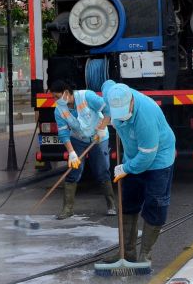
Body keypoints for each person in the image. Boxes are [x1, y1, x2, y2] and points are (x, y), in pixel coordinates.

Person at [101, 80, 175, 265]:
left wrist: (125, 168)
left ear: (131, 102)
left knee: (154, 204)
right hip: (133, 156)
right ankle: (127, 252)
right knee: (127, 203)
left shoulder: (145, 115)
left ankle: (145, 255)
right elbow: (106, 84)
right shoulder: (113, 93)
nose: (122, 118)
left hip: (157, 159)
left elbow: (147, 157)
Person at [50, 80, 116, 220]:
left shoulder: (87, 96)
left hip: (99, 137)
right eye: (53, 97)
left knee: (102, 170)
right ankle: (67, 209)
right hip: (78, 139)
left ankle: (111, 205)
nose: (55, 100)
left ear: (66, 93)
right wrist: (72, 153)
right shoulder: (59, 110)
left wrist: (102, 128)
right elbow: (63, 133)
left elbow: (108, 110)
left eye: (57, 96)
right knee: (74, 170)